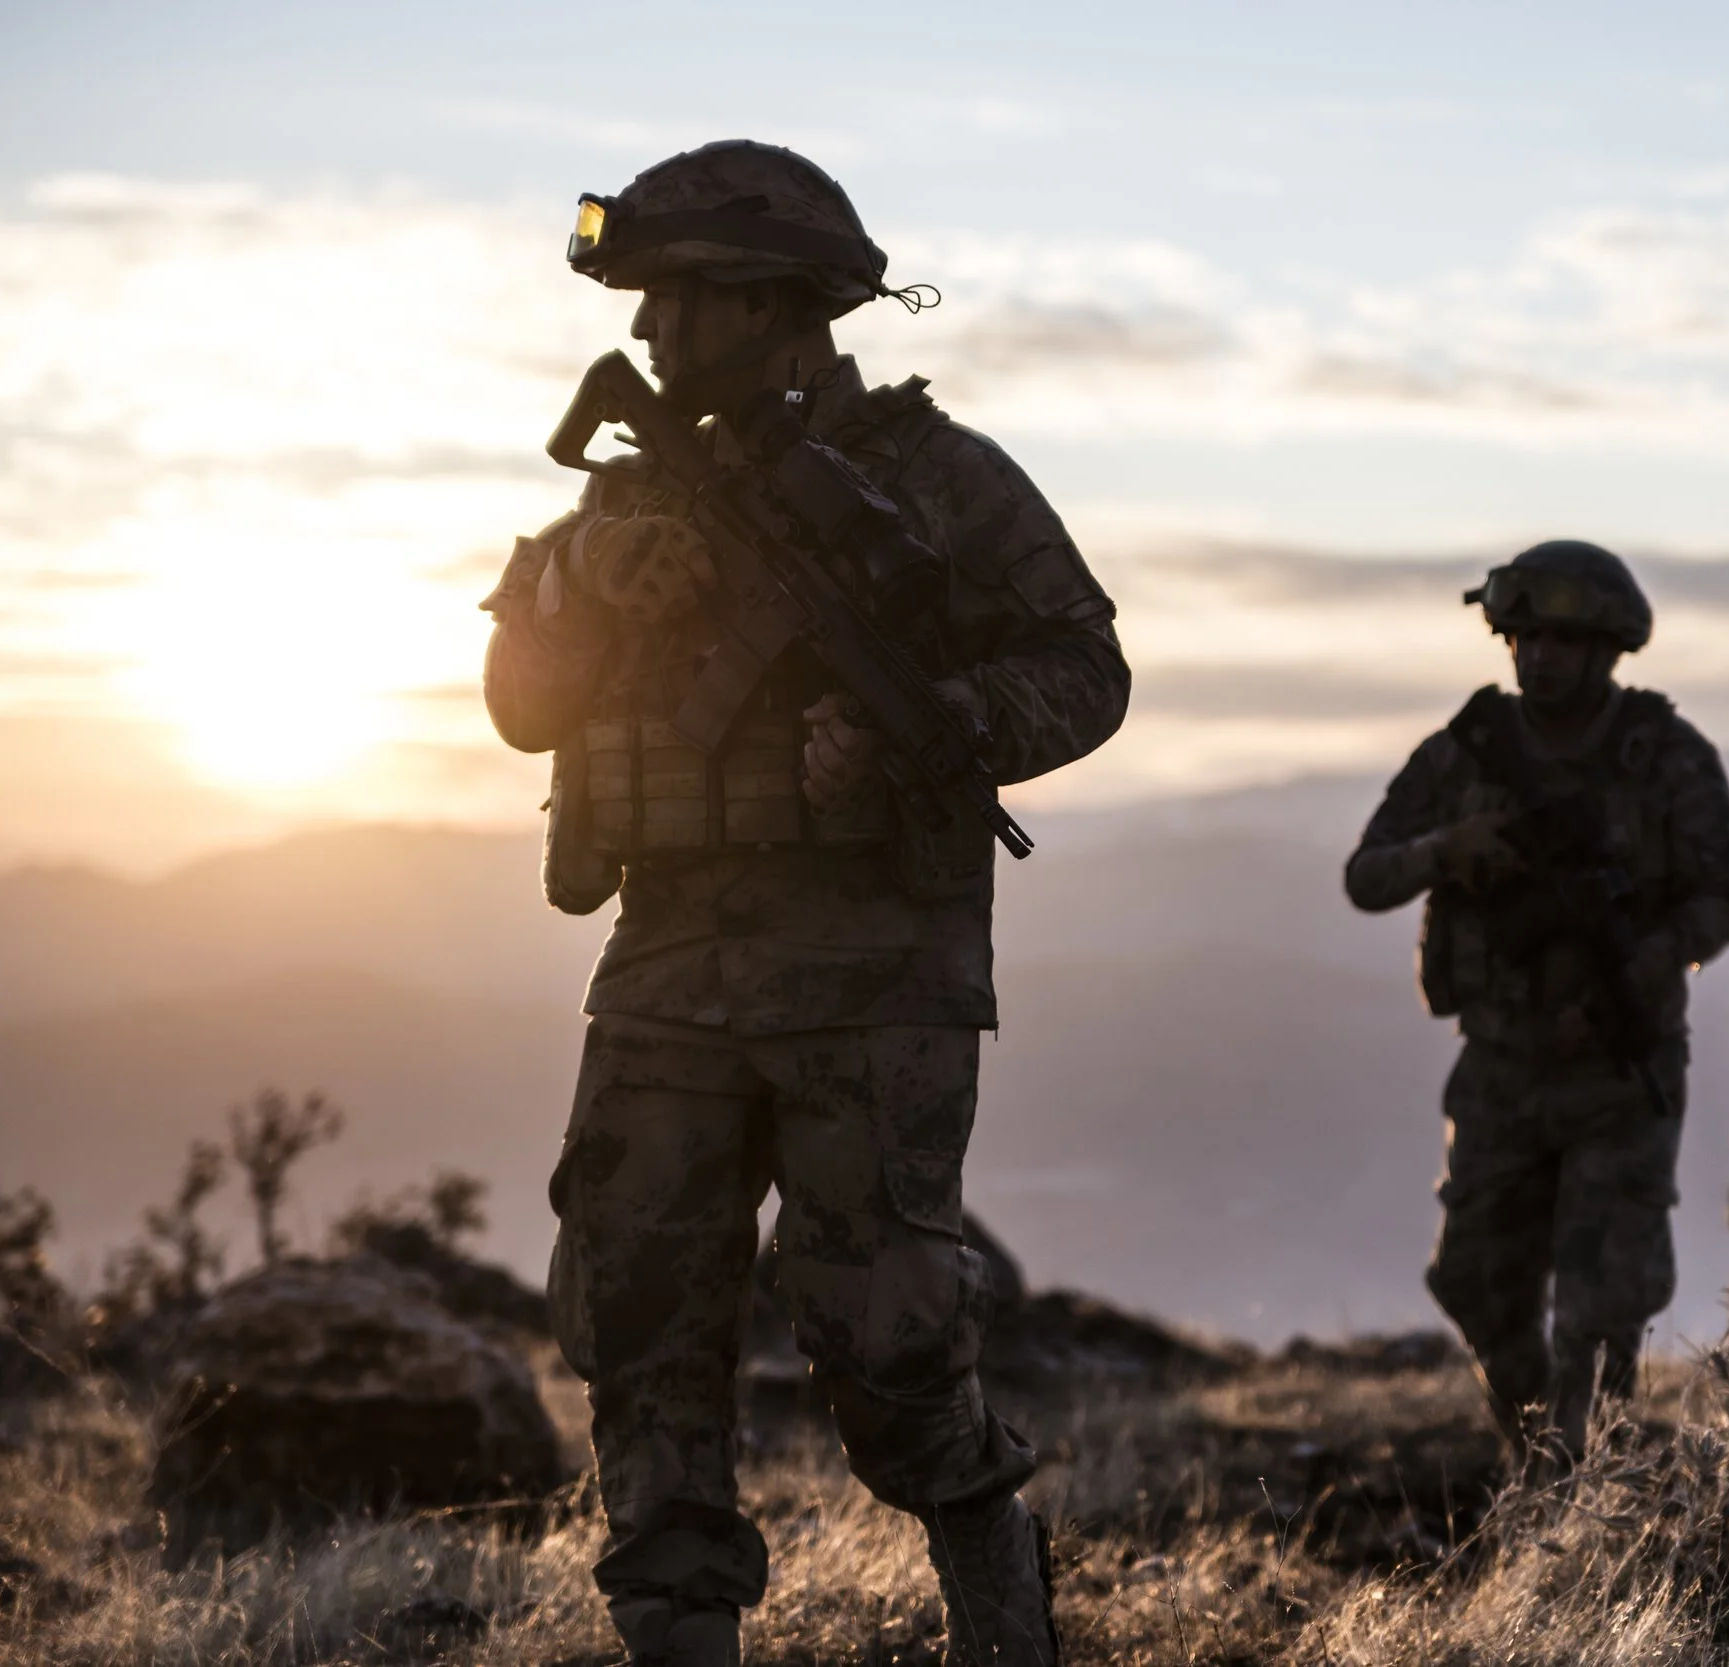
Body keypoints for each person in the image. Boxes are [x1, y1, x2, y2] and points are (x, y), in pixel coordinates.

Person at [481, 141, 1129, 1667]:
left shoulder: (937, 478)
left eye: (683, 304)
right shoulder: (627, 489)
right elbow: (517, 705)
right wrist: (583, 597)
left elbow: (1086, 669)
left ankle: (997, 1591)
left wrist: (937, 723)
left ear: (781, 310)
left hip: (872, 974)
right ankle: (680, 1631)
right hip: (667, 966)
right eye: (642, 304)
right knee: (639, 1315)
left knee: (889, 1343)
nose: (649, 334)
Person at [1343, 541, 1729, 1468]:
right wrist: (1449, 849)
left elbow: (1724, 893)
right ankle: (1538, 1462)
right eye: (1525, 635)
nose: (1541, 655)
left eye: (1564, 639)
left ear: (1608, 647)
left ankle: (1588, 1493)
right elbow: (1366, 876)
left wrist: (1638, 973)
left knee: (1603, 1306)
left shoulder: (1666, 757)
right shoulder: (1466, 752)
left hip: (1618, 1064)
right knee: (1480, 1282)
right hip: (1500, 1063)